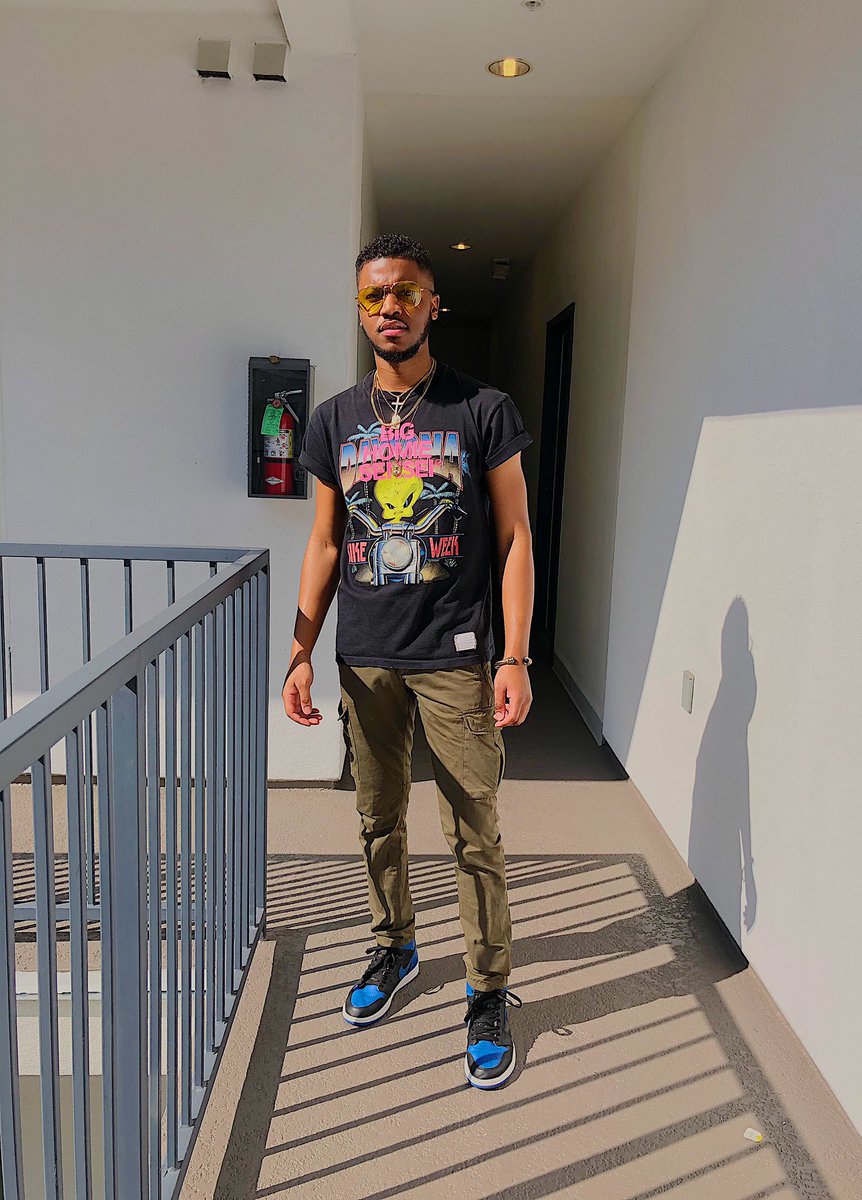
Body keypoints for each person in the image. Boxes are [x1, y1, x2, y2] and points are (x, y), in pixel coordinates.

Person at [282, 232, 535, 1090]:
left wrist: (514, 656)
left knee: (474, 830)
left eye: (405, 293)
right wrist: (300, 651)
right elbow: (325, 542)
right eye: (374, 296)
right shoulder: (334, 419)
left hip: (455, 656)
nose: (389, 308)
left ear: (433, 304)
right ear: (361, 310)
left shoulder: (480, 408)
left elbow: (515, 536)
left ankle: (488, 990)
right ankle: (394, 945)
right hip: (365, 659)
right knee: (377, 817)